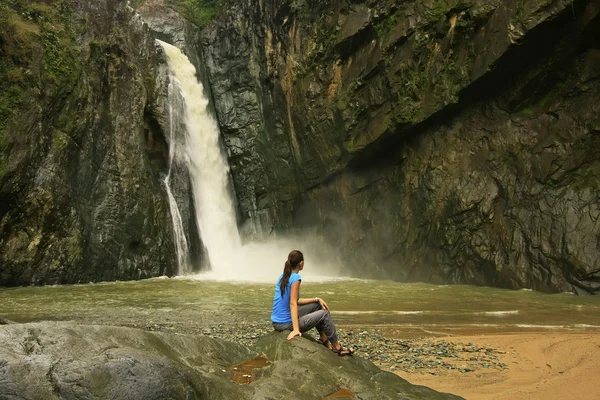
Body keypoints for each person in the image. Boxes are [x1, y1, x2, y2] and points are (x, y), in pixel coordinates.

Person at [271, 250, 354, 356]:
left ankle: (324, 339)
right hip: (285, 324)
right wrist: (296, 329)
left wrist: (316, 299)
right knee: (324, 314)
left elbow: (295, 300)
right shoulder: (296, 278)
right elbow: (293, 303)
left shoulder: (283, 276)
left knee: (318, 305)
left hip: (277, 321)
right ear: (301, 263)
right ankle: (337, 348)